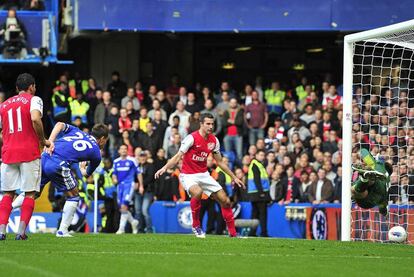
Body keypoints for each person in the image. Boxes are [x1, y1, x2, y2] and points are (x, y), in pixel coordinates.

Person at [155, 113, 245, 238]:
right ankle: (196, 225)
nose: (210, 126)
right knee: (197, 192)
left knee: (225, 201)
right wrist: (164, 168)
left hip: (204, 174)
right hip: (188, 175)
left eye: (212, 124)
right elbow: (177, 157)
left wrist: (234, 177)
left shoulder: (214, 140)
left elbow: (219, 162)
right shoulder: (191, 138)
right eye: (207, 124)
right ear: (201, 124)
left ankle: (233, 234)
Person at [0, 73, 51, 240]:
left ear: (16, 88)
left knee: (8, 193)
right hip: (29, 152)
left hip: (8, 153)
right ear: (32, 87)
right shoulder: (34, 100)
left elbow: (2, 131)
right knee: (29, 193)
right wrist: (43, 140)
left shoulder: (4, 105)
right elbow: (36, 119)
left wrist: (8, 140)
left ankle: (1, 231)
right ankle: (20, 232)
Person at [351, 149, 393, 216]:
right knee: (354, 191)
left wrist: (370, 155)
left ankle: (365, 179)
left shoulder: (378, 164)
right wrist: (384, 212)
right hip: (373, 200)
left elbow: (363, 151)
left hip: (373, 187)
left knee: (355, 190)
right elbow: (383, 206)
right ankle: (366, 179)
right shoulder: (388, 182)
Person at [113, 144, 141, 234]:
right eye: (122, 149)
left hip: (129, 185)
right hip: (120, 186)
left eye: (125, 149)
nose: (124, 150)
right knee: (122, 208)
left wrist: (141, 185)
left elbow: (139, 173)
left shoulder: (132, 160)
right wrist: (114, 179)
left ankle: (121, 229)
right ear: (119, 151)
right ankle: (133, 222)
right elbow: (114, 173)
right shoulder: (116, 161)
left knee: (124, 206)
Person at [247, 150, 271, 237]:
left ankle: (252, 232)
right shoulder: (256, 165)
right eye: (261, 155)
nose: (262, 157)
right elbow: (257, 180)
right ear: (256, 155)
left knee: (255, 214)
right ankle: (263, 232)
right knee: (262, 214)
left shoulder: (255, 164)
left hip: (254, 194)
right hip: (259, 194)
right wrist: (261, 193)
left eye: (263, 155)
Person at [135, 151, 155, 233]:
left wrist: (140, 185)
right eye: (141, 156)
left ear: (146, 157)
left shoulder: (150, 166)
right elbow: (133, 177)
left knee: (144, 210)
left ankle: (149, 230)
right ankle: (140, 230)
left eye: (144, 156)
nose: (142, 158)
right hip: (137, 192)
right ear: (138, 157)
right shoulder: (136, 166)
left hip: (148, 191)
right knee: (138, 211)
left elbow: (150, 178)